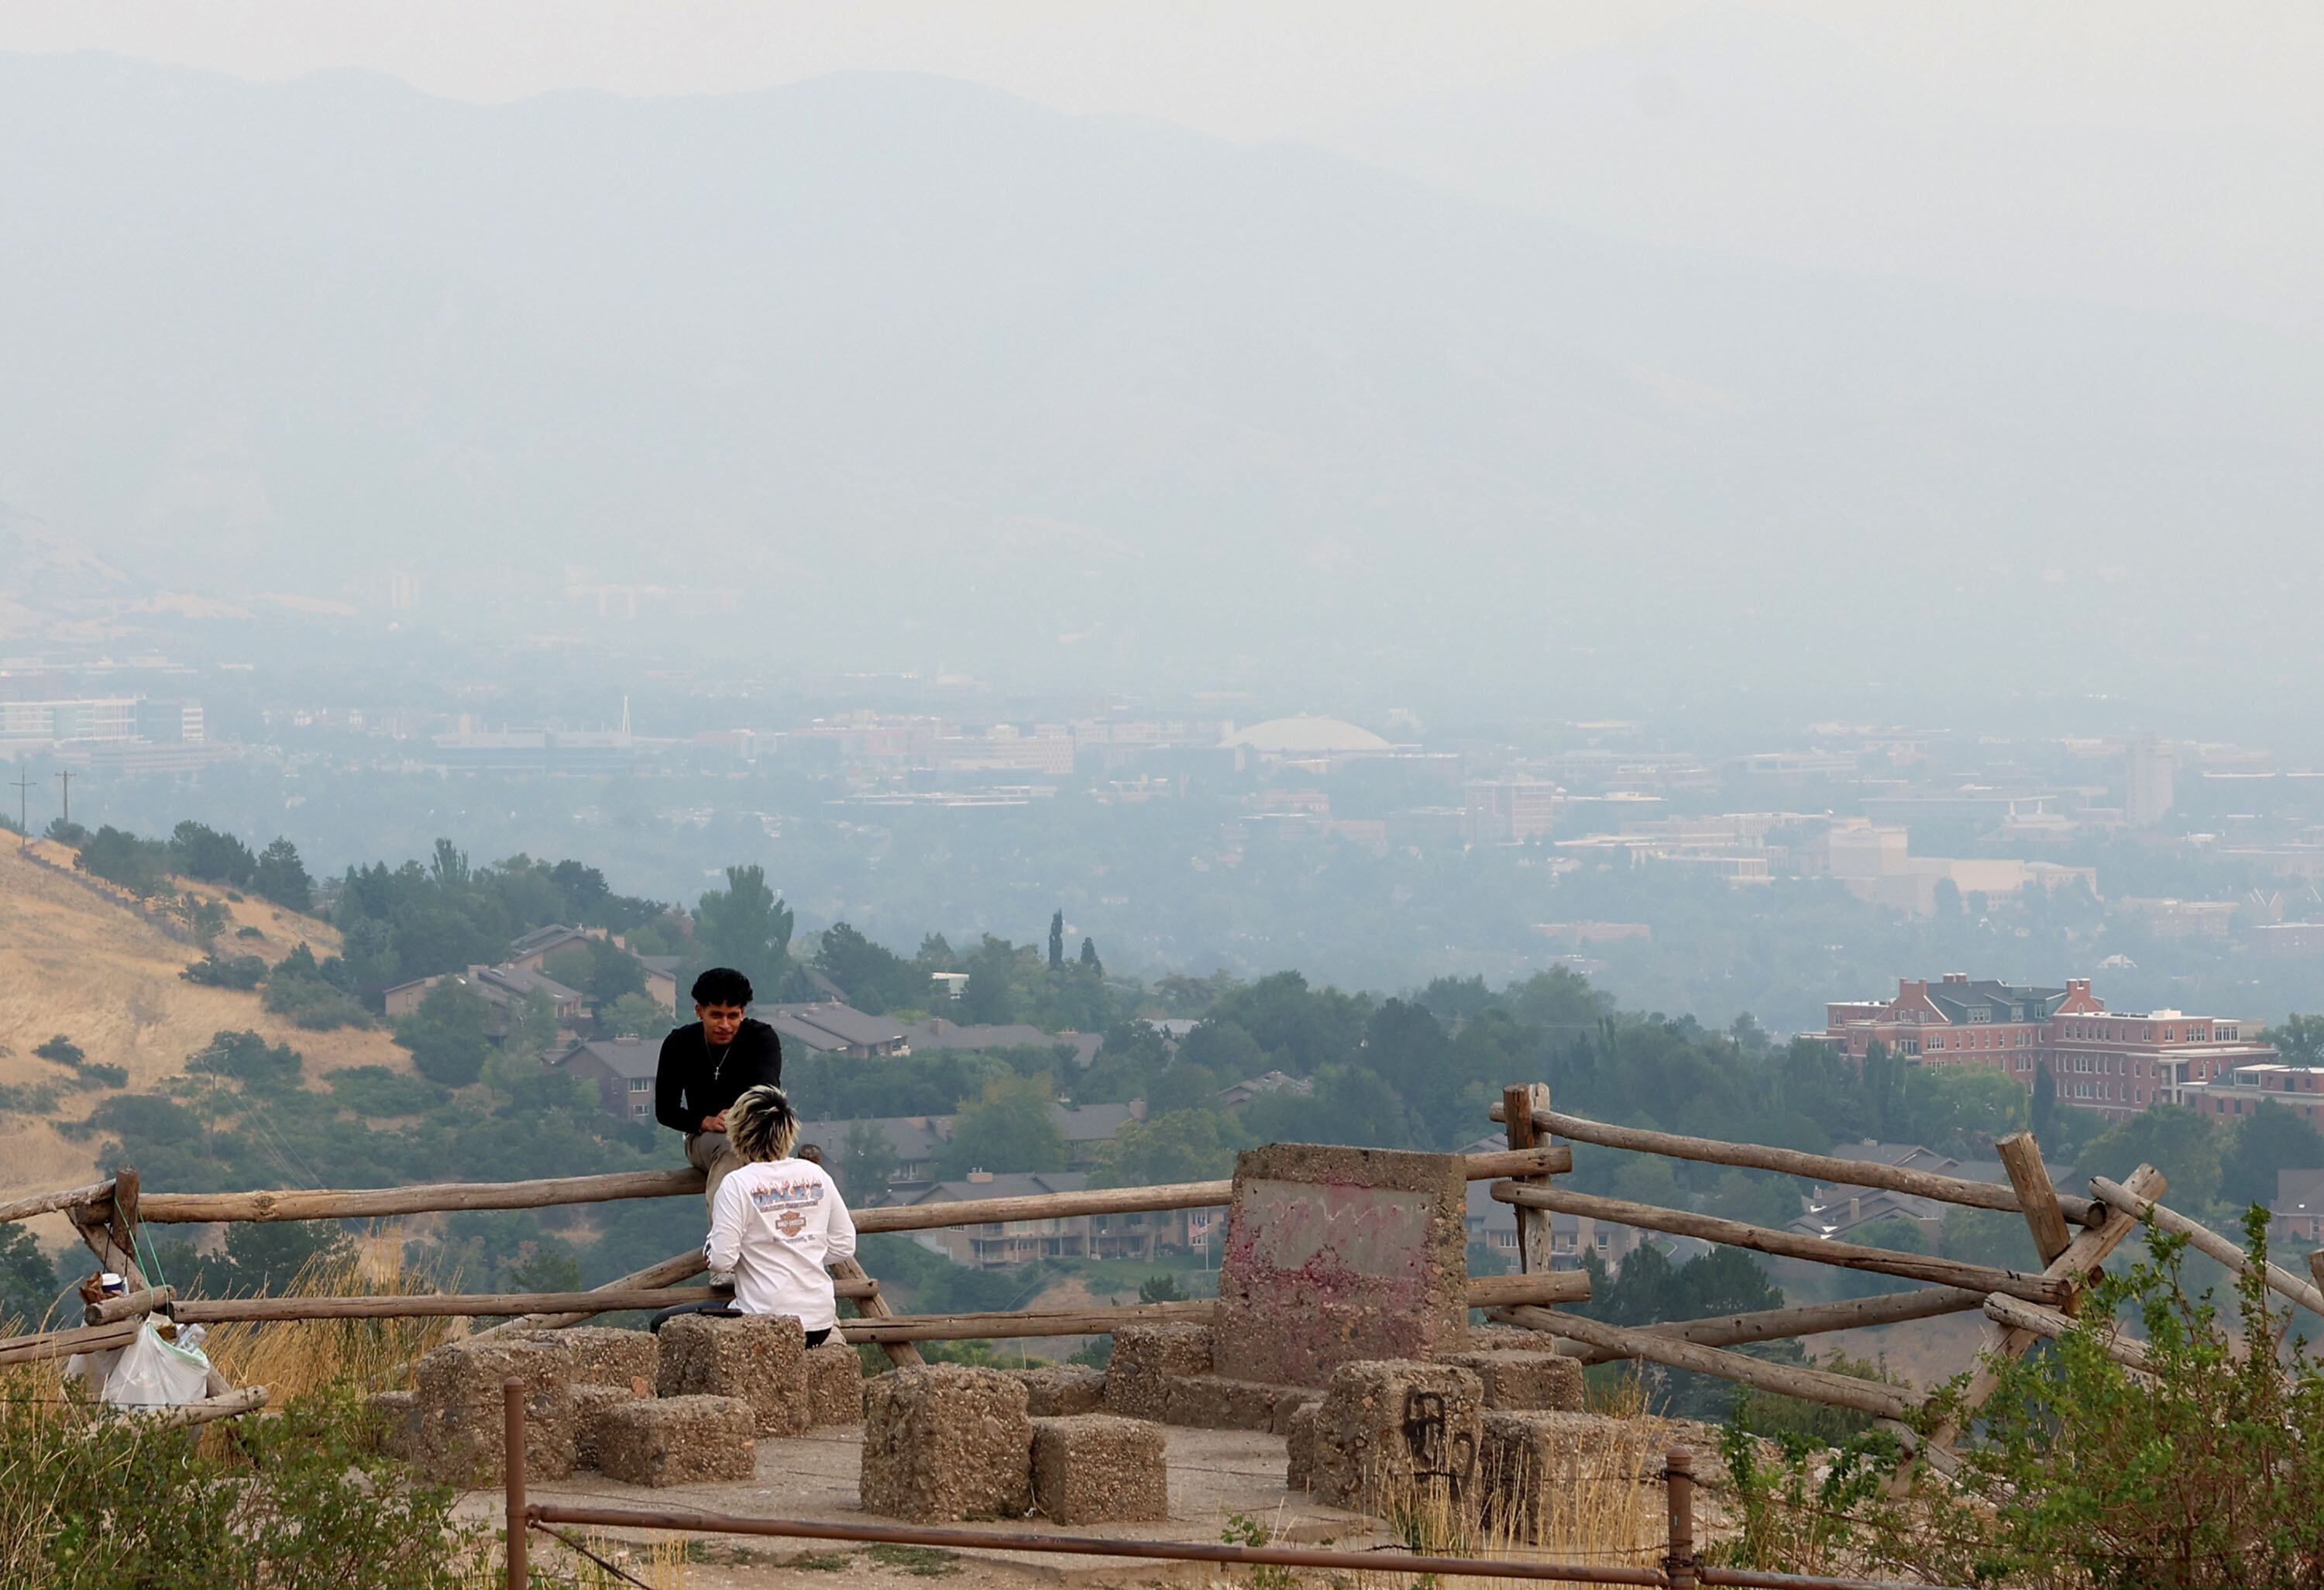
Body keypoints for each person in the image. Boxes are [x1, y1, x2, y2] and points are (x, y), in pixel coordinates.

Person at [651, 1084, 856, 1343]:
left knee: (663, 1323)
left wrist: (753, 1257)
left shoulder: (737, 1184)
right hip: (818, 1323)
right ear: (788, 1132)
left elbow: (721, 1260)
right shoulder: (816, 1175)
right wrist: (798, 1253)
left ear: (738, 1133)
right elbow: (844, 1245)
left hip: (761, 1321)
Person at [655, 967, 784, 1209]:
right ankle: (724, 1237)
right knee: (731, 1150)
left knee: (777, 1165)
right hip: (704, 1137)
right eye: (716, 1015)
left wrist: (740, 1118)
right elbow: (665, 1110)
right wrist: (705, 1121)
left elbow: (769, 1089)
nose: (725, 1025)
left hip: (756, 1133)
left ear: (743, 1013)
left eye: (733, 1016)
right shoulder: (678, 1044)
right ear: (699, 1011)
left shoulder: (761, 1038)